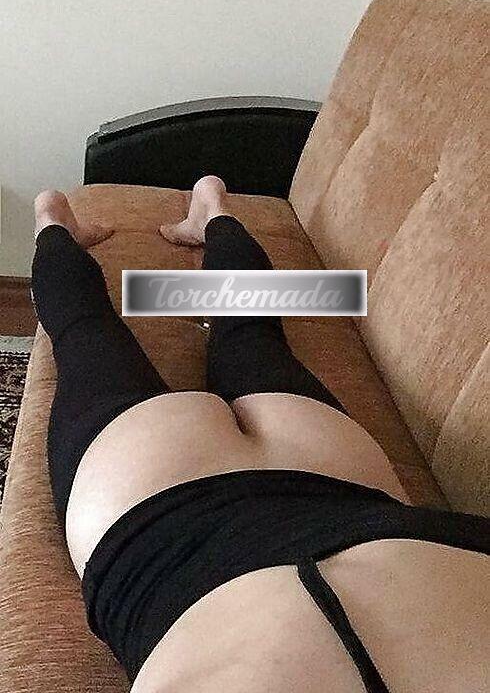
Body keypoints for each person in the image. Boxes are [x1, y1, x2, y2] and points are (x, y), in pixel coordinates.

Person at [32, 176, 489, 693]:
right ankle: (56, 220)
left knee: (249, 327)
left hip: (327, 471)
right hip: (154, 499)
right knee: (85, 331)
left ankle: (210, 211)